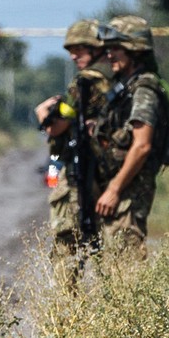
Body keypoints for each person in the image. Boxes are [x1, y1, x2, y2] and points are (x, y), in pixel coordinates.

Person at [34, 19, 113, 279]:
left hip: (83, 173)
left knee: (66, 243)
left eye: (79, 49)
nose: (73, 56)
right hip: (107, 173)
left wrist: (43, 114)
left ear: (96, 47)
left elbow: (56, 127)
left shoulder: (86, 82)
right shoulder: (117, 78)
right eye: (70, 50)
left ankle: (68, 299)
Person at [93, 15, 169, 256]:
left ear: (135, 50)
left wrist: (114, 189)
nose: (109, 55)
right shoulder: (125, 87)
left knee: (126, 258)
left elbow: (142, 145)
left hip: (131, 189)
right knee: (113, 257)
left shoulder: (144, 89)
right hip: (122, 186)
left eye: (116, 48)